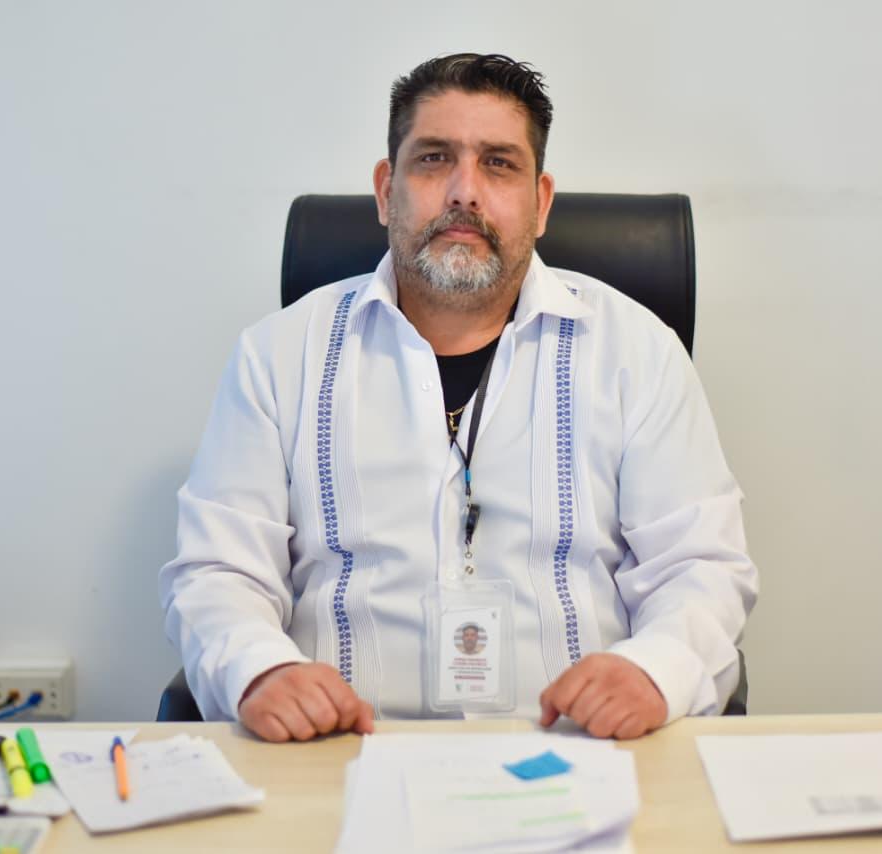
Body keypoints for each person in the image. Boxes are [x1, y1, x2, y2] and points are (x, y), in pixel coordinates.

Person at [159, 53, 758, 743]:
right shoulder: (276, 356)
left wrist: (654, 672)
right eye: (434, 159)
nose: (464, 192)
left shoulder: (637, 352)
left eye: (499, 164)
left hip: (578, 750)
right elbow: (218, 572)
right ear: (386, 190)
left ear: (541, 203)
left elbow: (699, 566)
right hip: (337, 754)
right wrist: (259, 672)